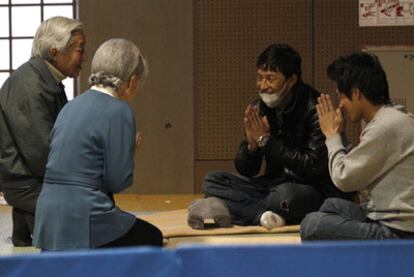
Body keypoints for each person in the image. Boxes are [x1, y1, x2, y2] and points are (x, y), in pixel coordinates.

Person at [188, 44, 353, 230]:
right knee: (213, 181)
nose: (263, 85)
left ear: (291, 80)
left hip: (309, 188)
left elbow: (313, 166)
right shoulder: (259, 108)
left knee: (285, 197)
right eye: (260, 78)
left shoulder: (315, 109)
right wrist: (252, 148)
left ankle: (235, 207)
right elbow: (246, 170)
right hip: (272, 184)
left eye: (270, 79)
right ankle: (262, 215)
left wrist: (267, 142)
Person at [33, 38, 163, 250]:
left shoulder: (71, 106)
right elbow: (117, 182)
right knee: (152, 237)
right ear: (132, 81)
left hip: (48, 217)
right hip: (85, 217)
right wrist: (130, 152)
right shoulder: (119, 111)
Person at [300, 52, 414, 240]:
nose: (341, 106)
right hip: (383, 217)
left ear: (355, 92)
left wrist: (332, 135)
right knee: (332, 206)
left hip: (398, 231)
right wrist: (338, 134)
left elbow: (343, 179)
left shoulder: (384, 127)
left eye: (342, 97)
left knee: (312, 224)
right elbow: (358, 167)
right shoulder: (391, 118)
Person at [0, 16, 85, 246]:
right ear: (56, 52)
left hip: (36, 178)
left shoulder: (46, 80)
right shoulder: (28, 85)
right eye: (80, 50)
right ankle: (31, 214)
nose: (83, 58)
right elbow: (41, 153)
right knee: (88, 221)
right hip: (28, 183)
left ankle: (27, 217)